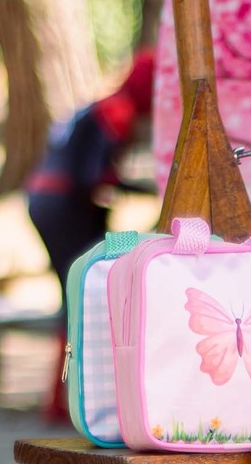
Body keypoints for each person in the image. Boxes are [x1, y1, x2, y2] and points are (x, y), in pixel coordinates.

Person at [27, 50, 155, 417]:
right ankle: (66, 401)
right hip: (66, 205)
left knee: (73, 293)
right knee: (81, 295)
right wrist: (145, 188)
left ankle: (61, 398)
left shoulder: (100, 105)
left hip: (44, 199)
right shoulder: (118, 112)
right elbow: (94, 176)